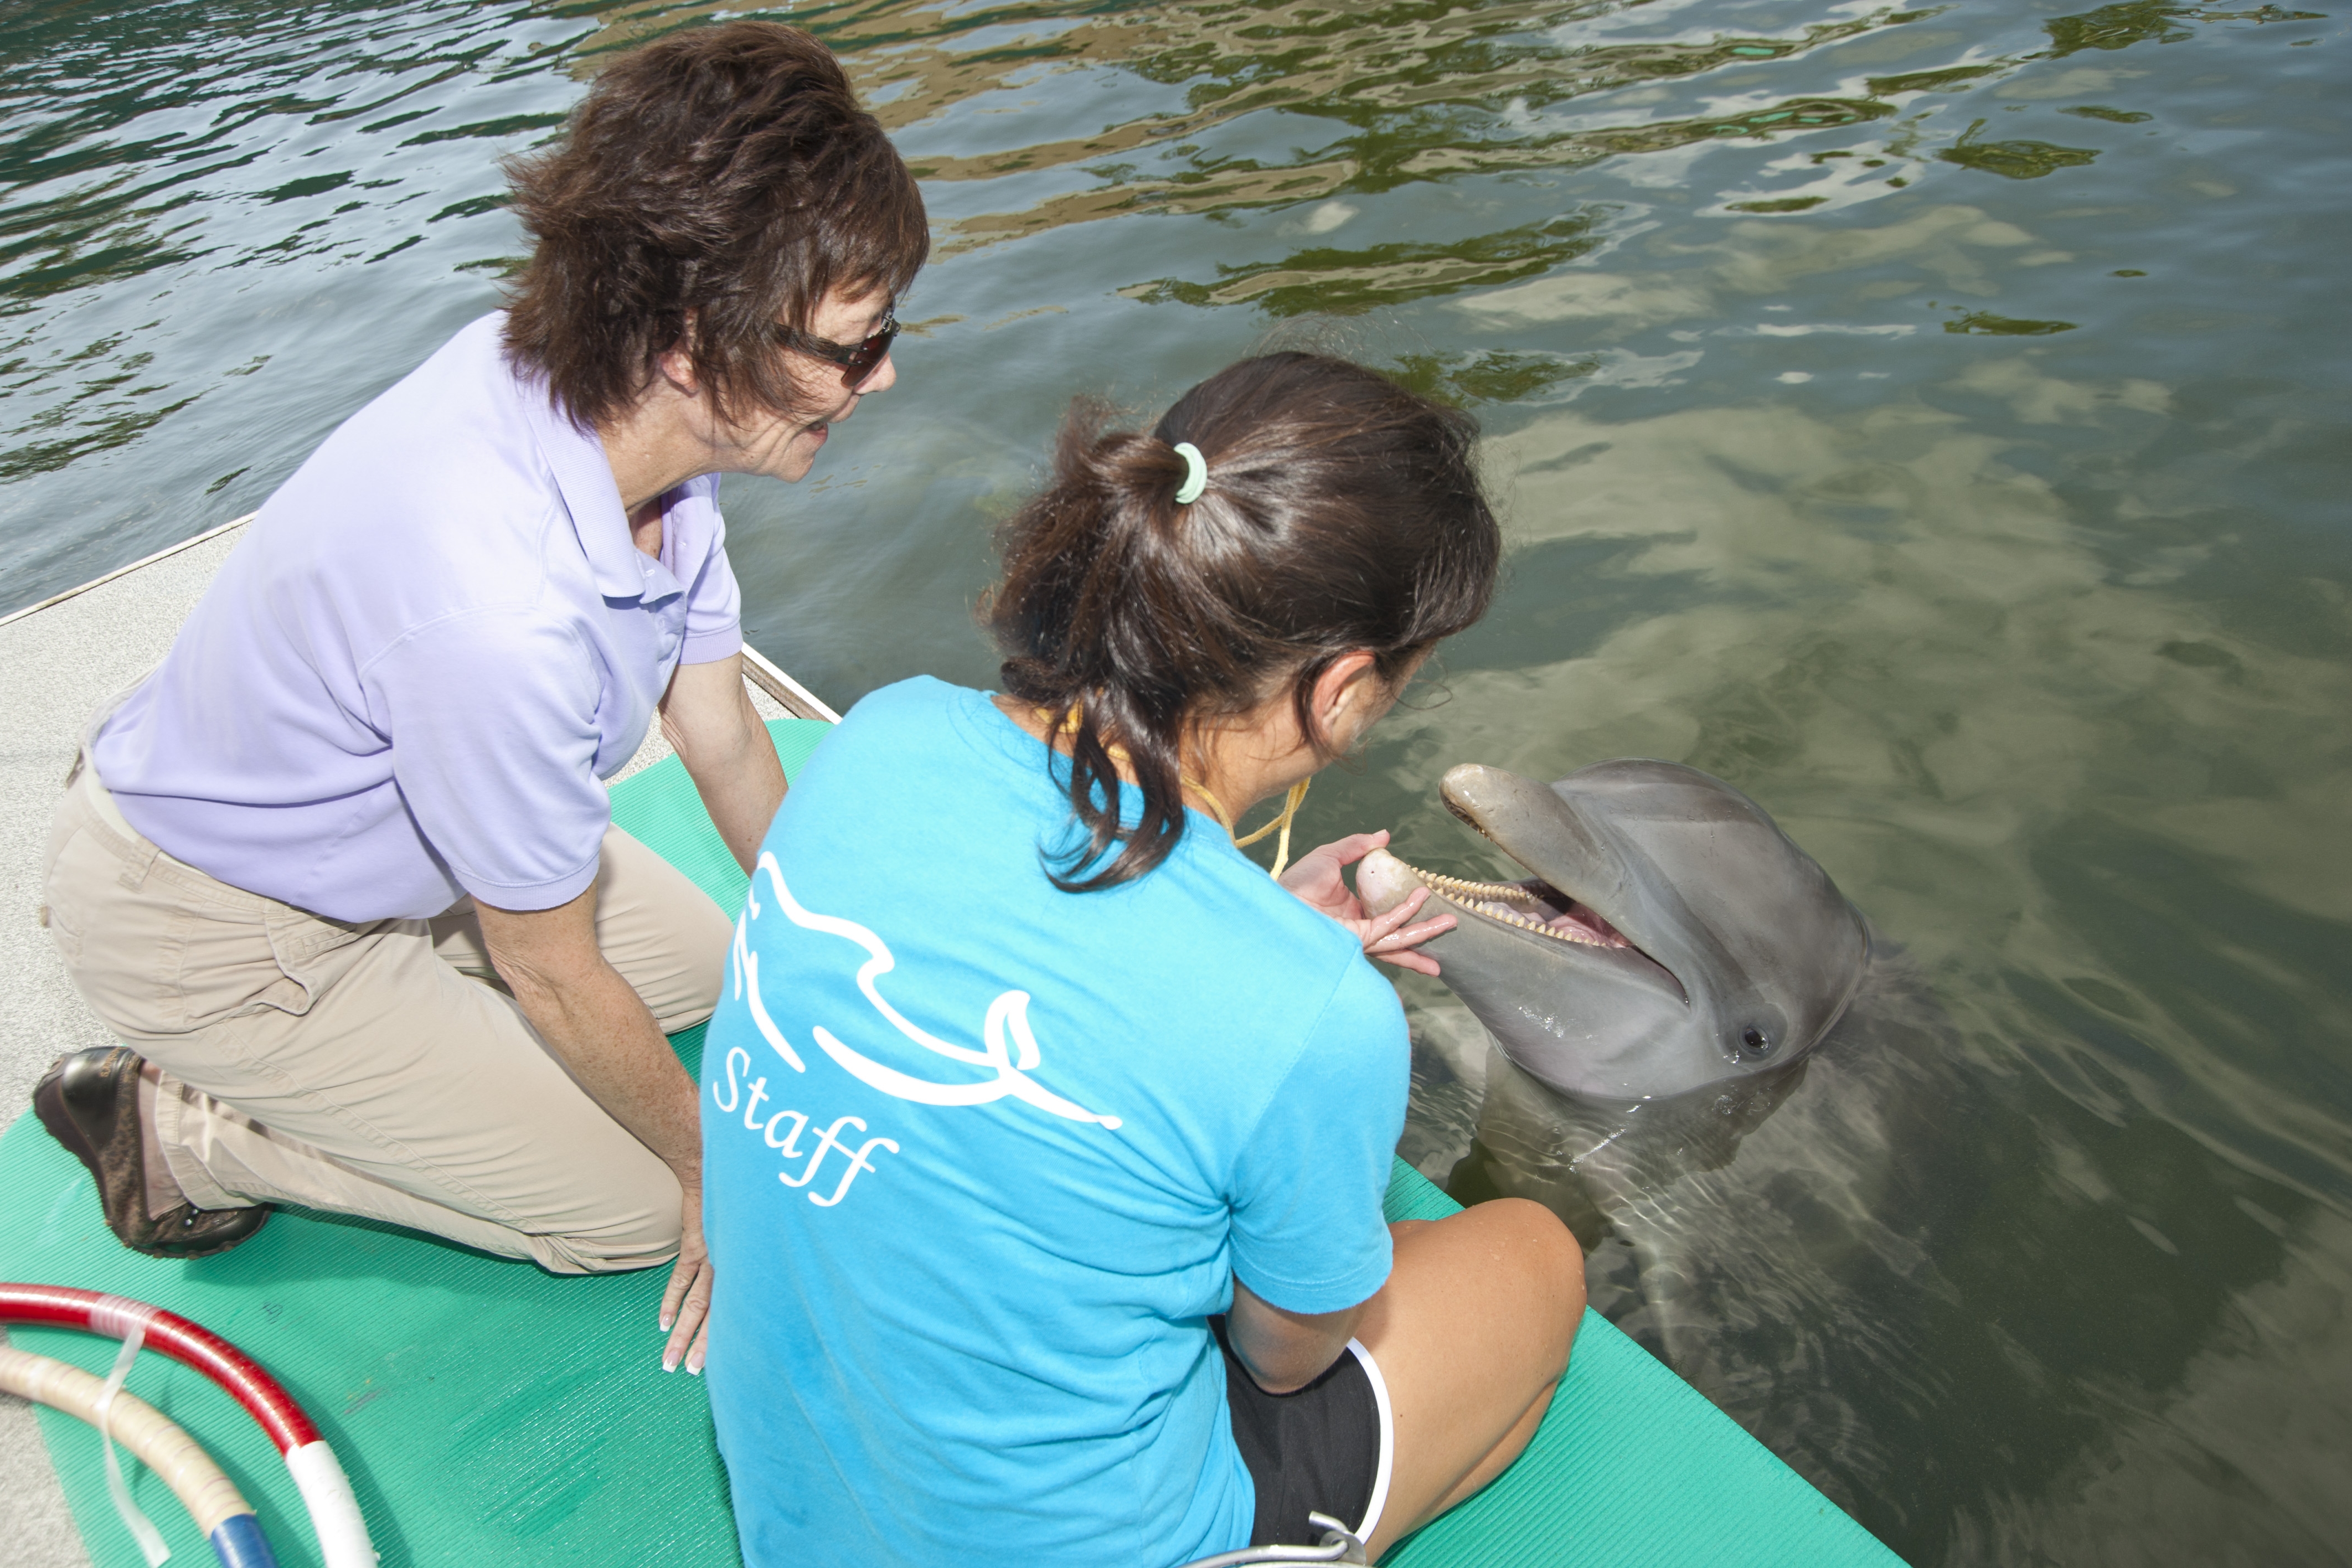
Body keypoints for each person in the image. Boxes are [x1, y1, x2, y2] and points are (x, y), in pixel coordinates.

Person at [32, 21, 923, 1376]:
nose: (885, 378)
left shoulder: (616, 418)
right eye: (857, 348)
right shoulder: (495, 608)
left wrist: (855, 962)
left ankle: (427, 1038)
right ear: (695, 344)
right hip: (223, 928)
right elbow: (555, 972)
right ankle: (185, 1132)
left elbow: (721, 727)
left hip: (419, 844)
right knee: (635, 1206)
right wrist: (710, 1179)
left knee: (724, 967)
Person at [699, 353, 1586, 1566]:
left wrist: (1261, 932)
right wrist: (1289, 994)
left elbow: (1052, 956)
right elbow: (1284, 1360)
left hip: (803, 1523)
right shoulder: (1315, 1014)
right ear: (1338, 691)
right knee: (1531, 1258)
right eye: (1405, 672)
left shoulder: (876, 735)